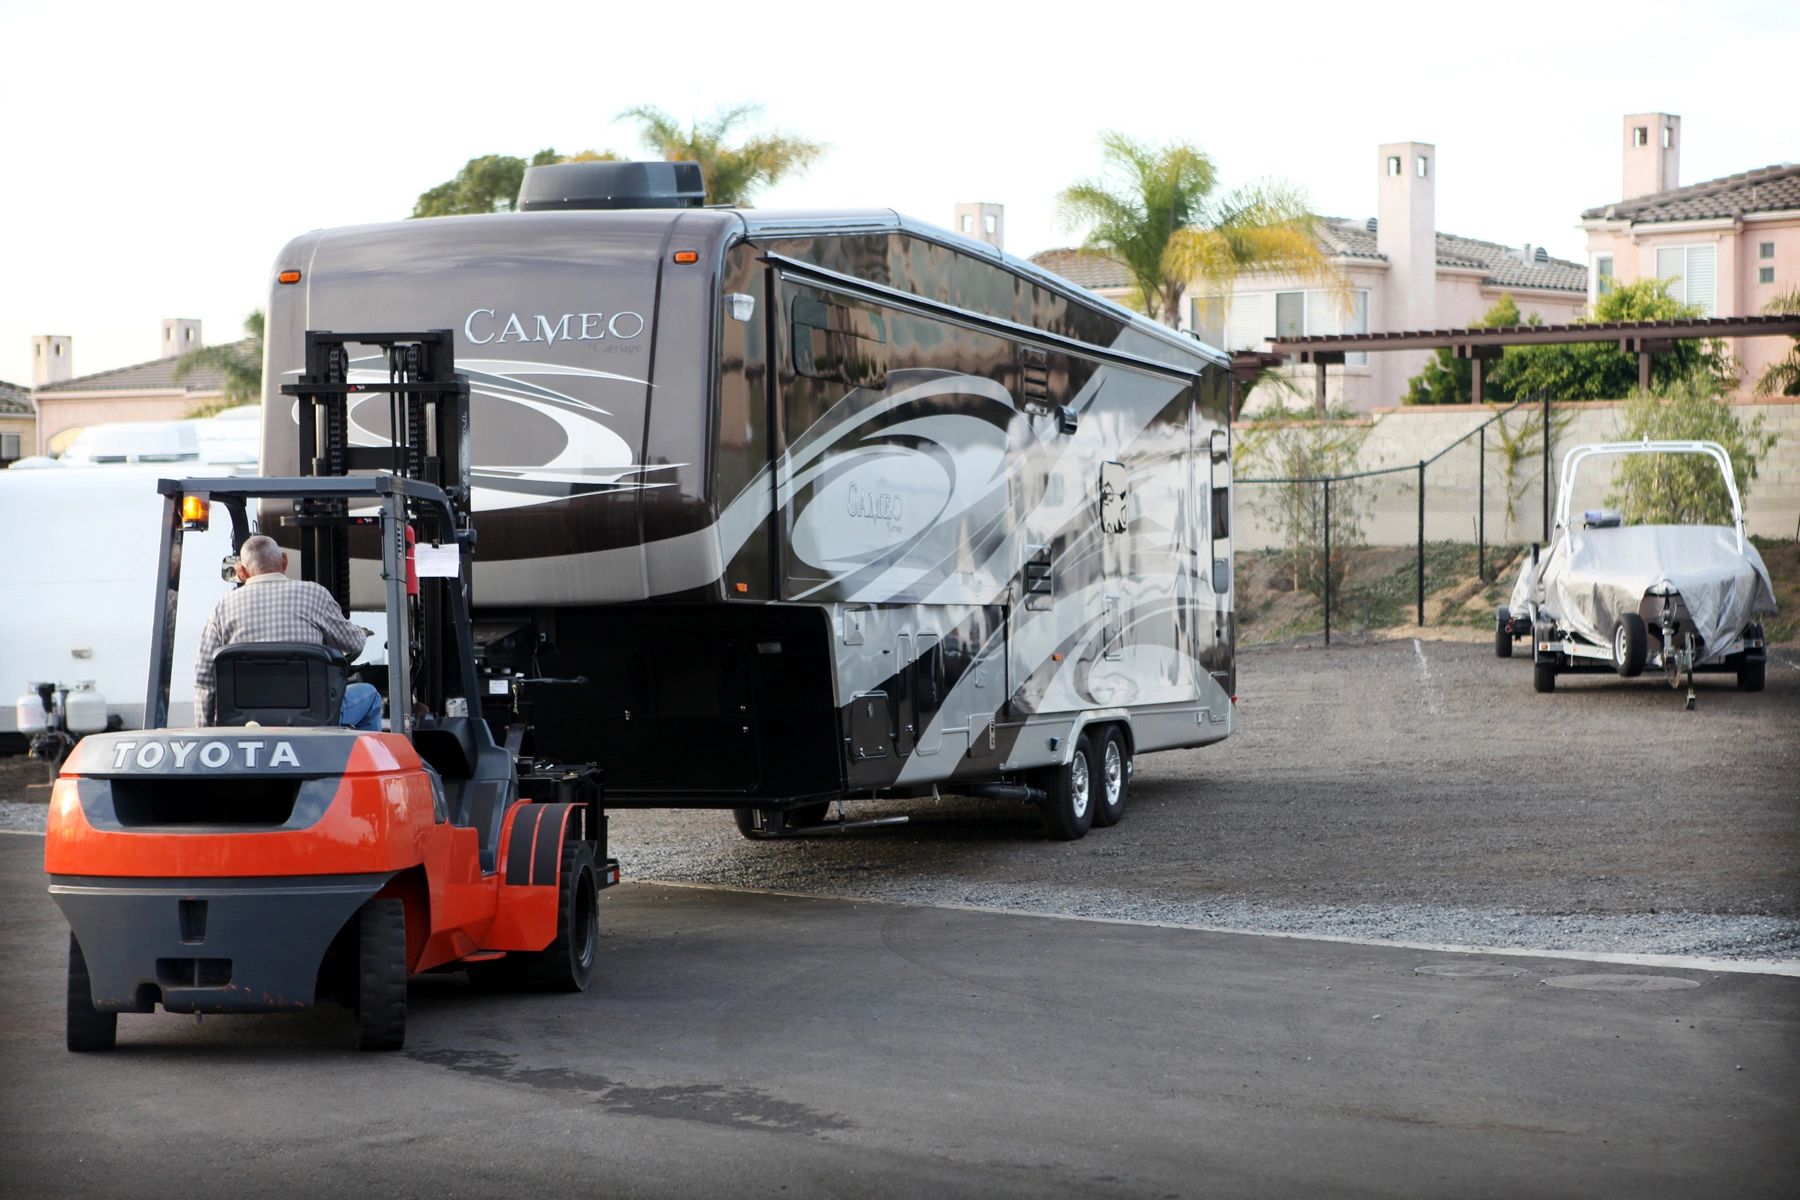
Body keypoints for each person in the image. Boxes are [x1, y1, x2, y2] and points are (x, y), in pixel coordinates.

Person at [193, 534, 383, 730]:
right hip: (312, 718)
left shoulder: (222, 608)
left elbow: (204, 679)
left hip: (245, 721)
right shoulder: (314, 594)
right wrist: (360, 632)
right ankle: (353, 760)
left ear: (241, 570)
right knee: (370, 696)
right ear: (284, 560)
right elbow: (354, 644)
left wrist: (207, 732)